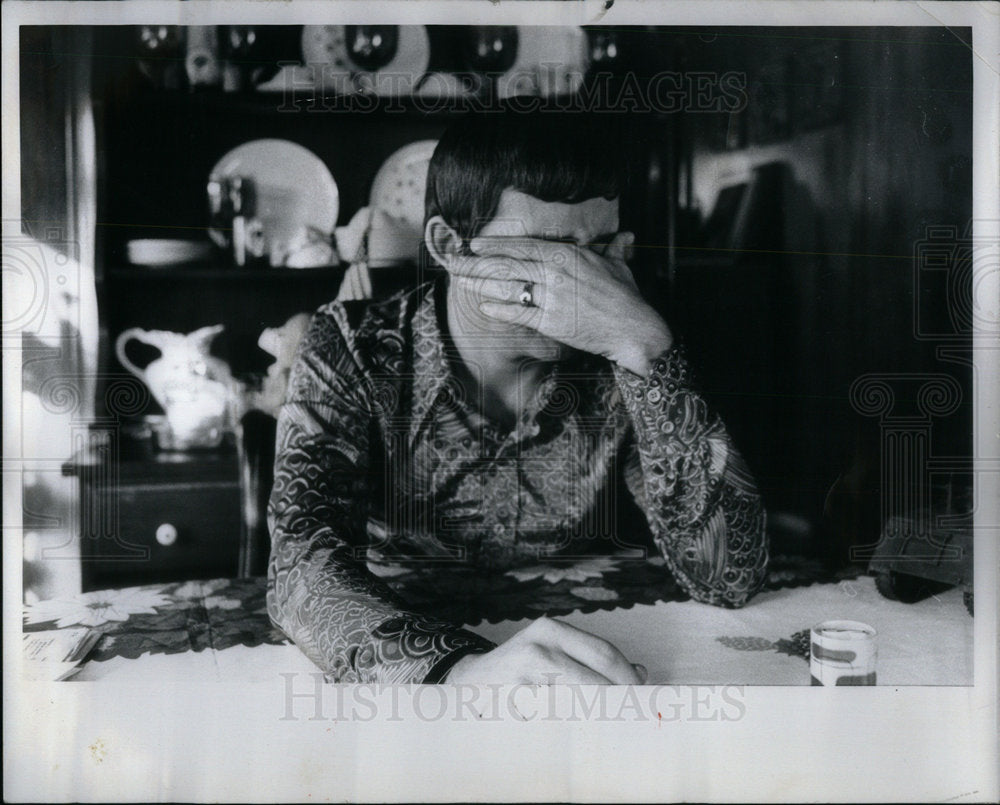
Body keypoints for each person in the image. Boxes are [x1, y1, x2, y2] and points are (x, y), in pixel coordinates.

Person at [266, 111, 768, 685]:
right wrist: (458, 672)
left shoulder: (623, 346)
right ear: (451, 245)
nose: (582, 288)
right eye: (547, 253)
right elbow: (301, 567)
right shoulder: (352, 346)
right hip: (402, 655)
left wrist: (651, 356)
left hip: (593, 646)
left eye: (601, 249)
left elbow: (727, 579)